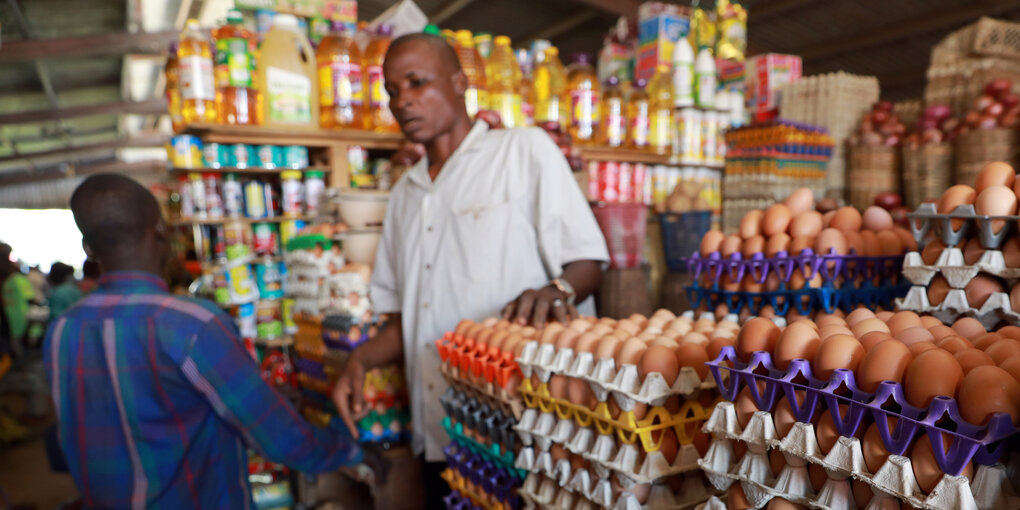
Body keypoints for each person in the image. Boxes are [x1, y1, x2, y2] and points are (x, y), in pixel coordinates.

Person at [332, 33, 608, 509]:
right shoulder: (404, 196)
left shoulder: (522, 152)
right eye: (394, 91)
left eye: (418, 82)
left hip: (523, 423)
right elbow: (403, 321)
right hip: (440, 430)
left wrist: (557, 289)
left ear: (460, 83)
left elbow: (588, 261)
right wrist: (358, 362)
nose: (404, 101)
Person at [45, 174, 366, 508]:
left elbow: (119, 421)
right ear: (160, 230)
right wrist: (353, 452)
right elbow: (277, 437)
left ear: (88, 248)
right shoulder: (192, 324)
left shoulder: (63, 330)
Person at [1, 242, 38, 364]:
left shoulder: (8, 280)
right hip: (18, 320)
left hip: (11, 320)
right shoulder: (17, 278)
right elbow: (31, 297)